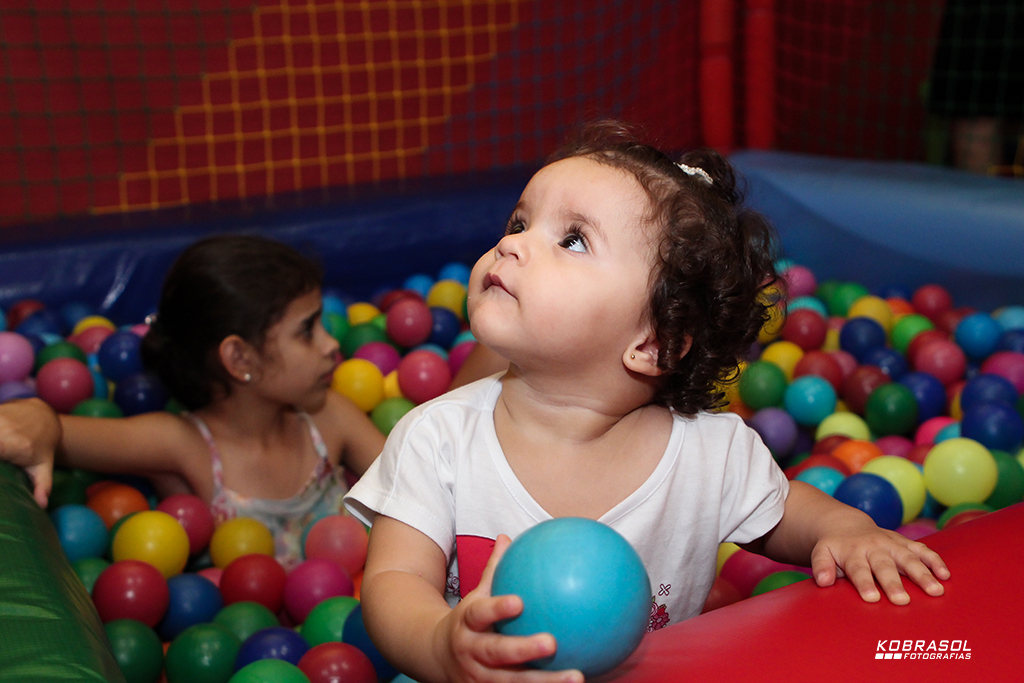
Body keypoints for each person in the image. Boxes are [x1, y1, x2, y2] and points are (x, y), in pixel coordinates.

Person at [343, 120, 950, 683]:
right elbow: (394, 582)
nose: (512, 246)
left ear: (652, 343)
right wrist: (444, 644)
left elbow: (787, 509)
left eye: (573, 239)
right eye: (518, 224)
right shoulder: (437, 437)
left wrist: (846, 529)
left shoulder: (710, 451)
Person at [0, 234, 385, 568]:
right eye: (307, 330)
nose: (331, 342)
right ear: (240, 359)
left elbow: (425, 492)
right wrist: (37, 416)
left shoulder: (330, 418)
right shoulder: (185, 445)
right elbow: (57, 430)